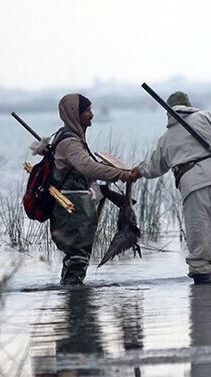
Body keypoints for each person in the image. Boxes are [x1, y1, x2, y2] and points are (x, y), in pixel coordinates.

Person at [130, 91, 211, 284]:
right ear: (189, 105)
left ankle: (203, 301)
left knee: (200, 250)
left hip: (194, 188)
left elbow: (154, 166)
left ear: (168, 113)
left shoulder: (167, 137)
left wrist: (135, 172)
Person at [51, 93, 134, 285]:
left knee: (76, 256)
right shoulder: (70, 142)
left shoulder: (70, 138)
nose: (91, 114)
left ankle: (72, 298)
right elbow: (87, 167)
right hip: (73, 207)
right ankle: (76, 302)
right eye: (87, 110)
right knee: (78, 256)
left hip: (75, 205)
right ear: (75, 114)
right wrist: (119, 174)